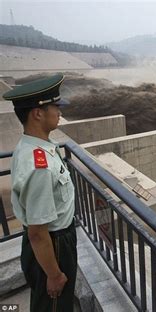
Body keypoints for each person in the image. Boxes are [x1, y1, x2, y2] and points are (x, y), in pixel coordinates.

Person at [3, 74, 77, 312]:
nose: (59, 112)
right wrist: (54, 274)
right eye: (55, 107)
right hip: (53, 245)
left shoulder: (29, 146)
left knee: (47, 303)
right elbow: (37, 232)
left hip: (50, 243)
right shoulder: (40, 166)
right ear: (37, 113)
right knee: (54, 304)